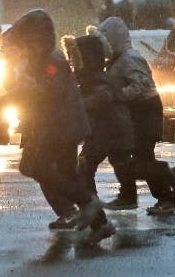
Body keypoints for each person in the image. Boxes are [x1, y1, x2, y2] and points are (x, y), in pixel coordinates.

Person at [0, 10, 107, 241]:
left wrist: (23, 86)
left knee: (35, 167)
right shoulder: (39, 59)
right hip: (58, 125)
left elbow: (47, 91)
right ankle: (99, 223)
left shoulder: (50, 60)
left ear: (31, 41)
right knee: (65, 173)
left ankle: (87, 204)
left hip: (60, 127)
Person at [96, 16, 175, 216]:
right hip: (134, 112)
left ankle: (166, 192)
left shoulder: (129, 58)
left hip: (145, 112)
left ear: (113, 39)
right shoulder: (118, 58)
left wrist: (119, 96)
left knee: (142, 157)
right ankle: (129, 196)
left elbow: (142, 84)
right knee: (123, 155)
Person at [62, 31, 132, 241]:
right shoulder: (88, 77)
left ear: (89, 59)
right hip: (102, 133)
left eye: (77, 59)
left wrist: (80, 106)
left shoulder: (100, 79)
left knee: (84, 172)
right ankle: (95, 218)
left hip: (109, 133)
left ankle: (97, 218)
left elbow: (104, 97)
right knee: (85, 172)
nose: (74, 64)